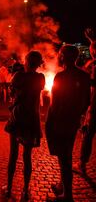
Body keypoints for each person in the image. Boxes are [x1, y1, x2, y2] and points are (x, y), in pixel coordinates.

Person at [46, 45, 90, 201]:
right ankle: (62, 185)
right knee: (66, 154)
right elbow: (87, 101)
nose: (58, 56)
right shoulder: (84, 76)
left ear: (63, 56)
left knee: (64, 158)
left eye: (59, 54)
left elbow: (54, 104)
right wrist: (77, 114)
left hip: (60, 121)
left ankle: (67, 196)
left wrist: (48, 124)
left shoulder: (61, 77)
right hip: (73, 121)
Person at [3, 51, 45, 200]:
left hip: (18, 116)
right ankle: (25, 190)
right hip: (32, 118)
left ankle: (8, 188)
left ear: (27, 61)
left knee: (13, 154)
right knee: (27, 156)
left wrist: (17, 75)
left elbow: (12, 94)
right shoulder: (41, 78)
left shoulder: (19, 76)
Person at [74, 29, 96, 174]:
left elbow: (91, 82)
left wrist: (77, 72)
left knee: (87, 133)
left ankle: (81, 163)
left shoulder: (95, 65)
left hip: (95, 106)